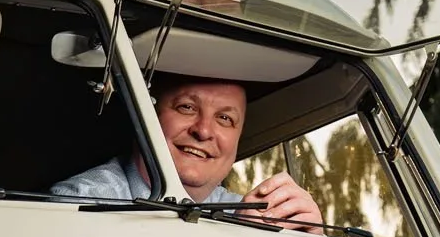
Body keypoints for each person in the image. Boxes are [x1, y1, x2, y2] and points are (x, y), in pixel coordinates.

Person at [52, 73, 322, 228]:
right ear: (146, 117)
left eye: (225, 118)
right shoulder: (78, 204)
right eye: (187, 107)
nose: (203, 131)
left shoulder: (248, 215)